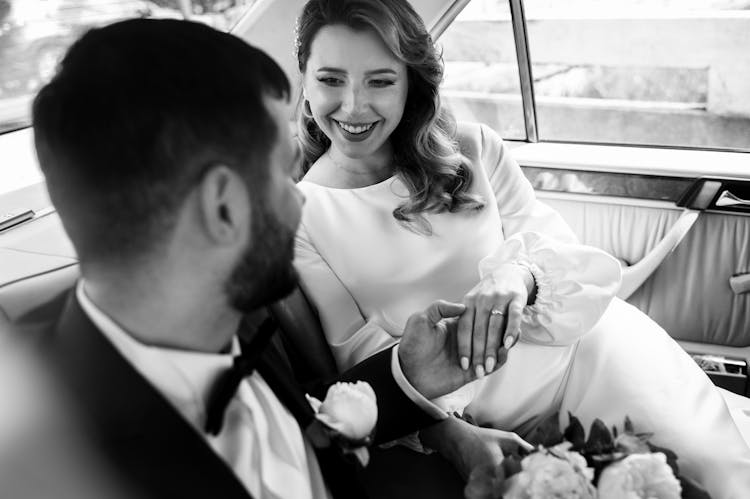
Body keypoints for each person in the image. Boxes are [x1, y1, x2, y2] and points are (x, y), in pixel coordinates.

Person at [291, 0, 750, 496]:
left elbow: (557, 246)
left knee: (709, 478)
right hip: (477, 414)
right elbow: (359, 361)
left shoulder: (474, 149)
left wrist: (521, 275)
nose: (354, 106)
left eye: (380, 80)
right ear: (306, 78)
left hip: (593, 356)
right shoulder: (299, 214)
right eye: (331, 80)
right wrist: (450, 435)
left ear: (410, 83)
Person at [25, 18, 484, 499]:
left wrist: (410, 376)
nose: (300, 201)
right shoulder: (59, 464)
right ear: (222, 206)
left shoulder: (233, 322)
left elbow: (313, 435)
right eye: (284, 177)